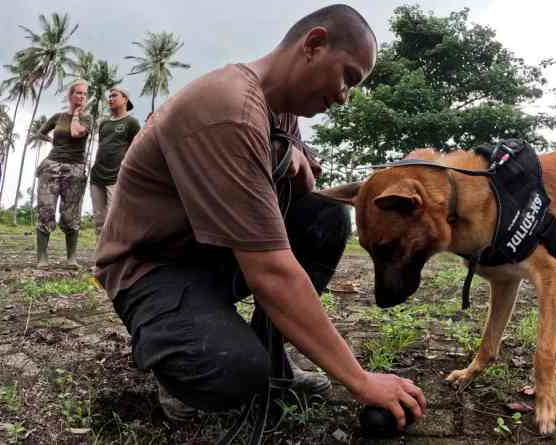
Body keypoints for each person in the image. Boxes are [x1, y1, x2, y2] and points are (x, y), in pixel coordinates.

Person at [95, 4, 426, 430]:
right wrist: (360, 381)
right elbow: (270, 269)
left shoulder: (283, 109)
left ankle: (276, 366)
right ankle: (175, 364)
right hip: (153, 269)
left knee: (325, 217)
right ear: (314, 44)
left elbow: (300, 187)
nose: (346, 95)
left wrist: (292, 154)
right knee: (233, 371)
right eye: (348, 76)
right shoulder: (228, 108)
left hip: (209, 254)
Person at [35, 79, 93, 268]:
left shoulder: (87, 118)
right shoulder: (57, 117)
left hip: (75, 168)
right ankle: (42, 257)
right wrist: (53, 141)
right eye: (78, 93)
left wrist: (76, 114)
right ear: (70, 95)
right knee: (46, 209)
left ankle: (71, 258)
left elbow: (76, 133)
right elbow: (40, 132)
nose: (82, 97)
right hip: (52, 165)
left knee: (70, 214)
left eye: (85, 94)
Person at [89, 87, 141, 235]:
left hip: (117, 177)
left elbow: (136, 149)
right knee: (99, 220)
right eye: (109, 96)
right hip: (96, 177)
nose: (110, 99)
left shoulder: (131, 123)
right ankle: (101, 256)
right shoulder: (104, 124)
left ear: (125, 99)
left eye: (114, 96)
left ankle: (116, 255)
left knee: (115, 218)